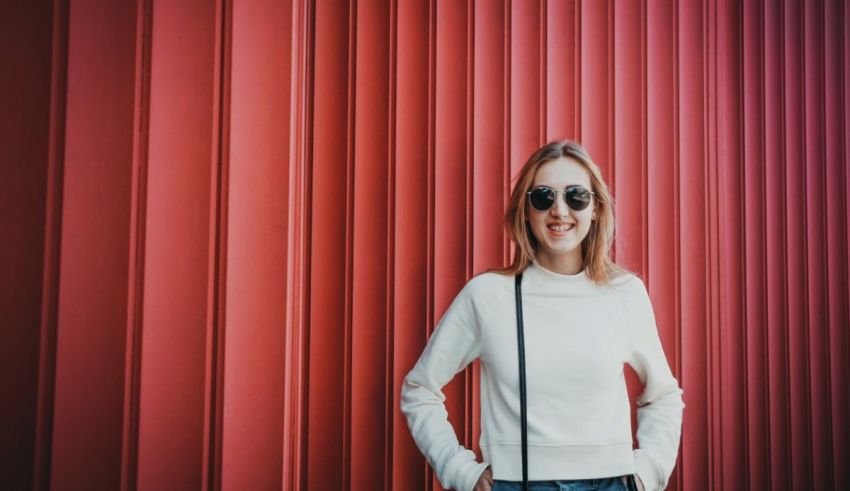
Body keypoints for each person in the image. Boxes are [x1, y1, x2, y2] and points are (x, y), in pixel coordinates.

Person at [400, 141, 684, 491]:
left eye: (576, 196)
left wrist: (646, 474)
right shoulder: (488, 295)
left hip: (610, 483)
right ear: (525, 211)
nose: (560, 211)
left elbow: (664, 396)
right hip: (517, 483)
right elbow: (419, 389)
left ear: (595, 208)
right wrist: (462, 472)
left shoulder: (624, 294)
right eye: (543, 197)